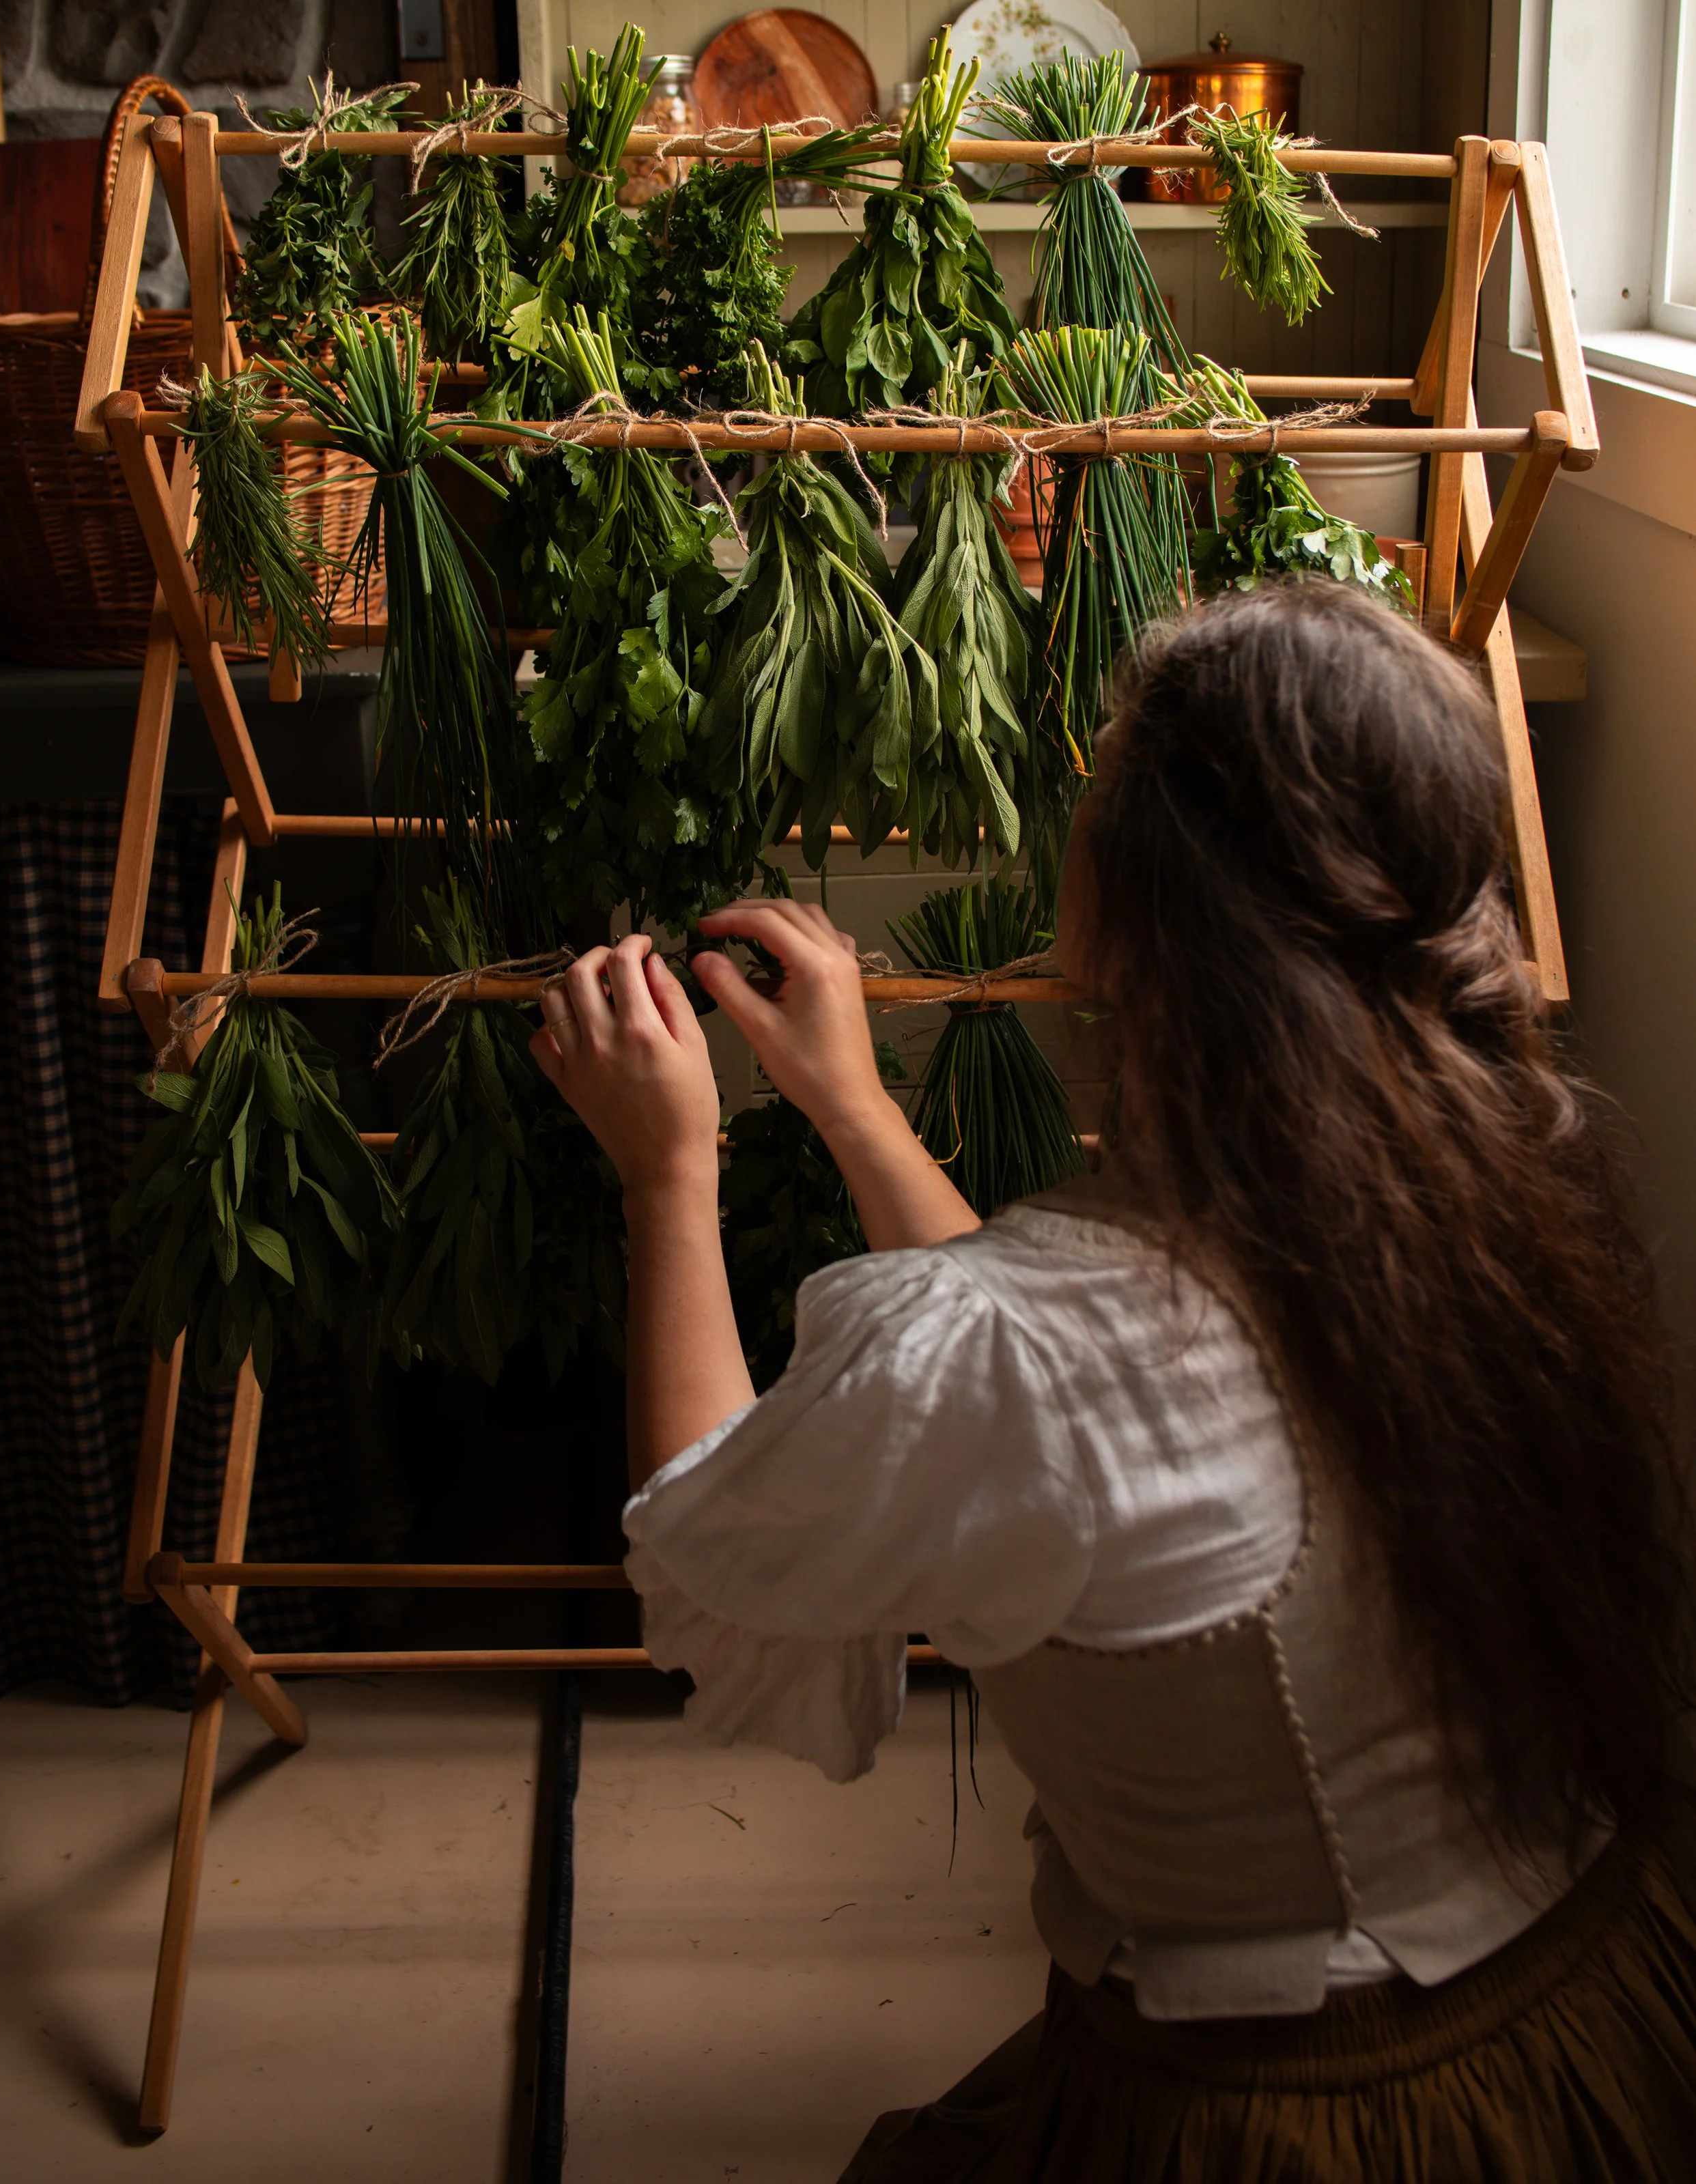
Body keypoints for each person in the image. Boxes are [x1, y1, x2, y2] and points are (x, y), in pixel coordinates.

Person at [531, 578, 1696, 2182]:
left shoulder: (1031, 1351)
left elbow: (713, 1565)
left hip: (1318, 2114)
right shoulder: (1494, 1185)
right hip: (1593, 1991)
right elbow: (1074, 1400)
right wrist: (856, 1109)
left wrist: (666, 1171)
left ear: (1131, 926)